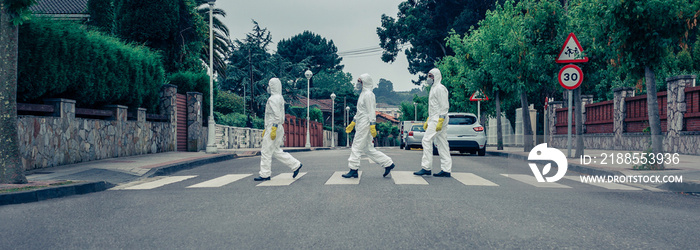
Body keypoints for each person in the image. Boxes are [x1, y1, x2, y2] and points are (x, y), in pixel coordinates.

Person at [342, 74, 395, 178]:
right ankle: (388, 163)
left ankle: (353, 169)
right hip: (361, 122)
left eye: (359, 81)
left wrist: (372, 125)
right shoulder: (363, 94)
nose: (357, 83)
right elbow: (360, 111)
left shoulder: (369, 94)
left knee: (356, 146)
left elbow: (371, 111)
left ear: (365, 82)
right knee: (368, 149)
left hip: (365, 123)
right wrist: (353, 122)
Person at [254, 78, 303, 181]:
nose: (268, 87)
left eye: (270, 85)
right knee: (276, 150)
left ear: (272, 86)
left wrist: (272, 128)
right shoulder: (279, 97)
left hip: (274, 126)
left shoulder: (273, 99)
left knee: (266, 151)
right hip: (277, 127)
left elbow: (276, 115)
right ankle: (296, 164)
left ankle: (265, 174)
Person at [414, 68, 452, 177]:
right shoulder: (433, 88)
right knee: (442, 143)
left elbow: (444, 105)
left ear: (436, 76)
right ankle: (446, 170)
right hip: (435, 118)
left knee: (426, 140)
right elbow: (434, 107)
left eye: (431, 76)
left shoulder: (440, 88)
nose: (428, 78)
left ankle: (426, 167)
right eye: (428, 76)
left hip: (439, 119)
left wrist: (440, 119)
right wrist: (428, 119)